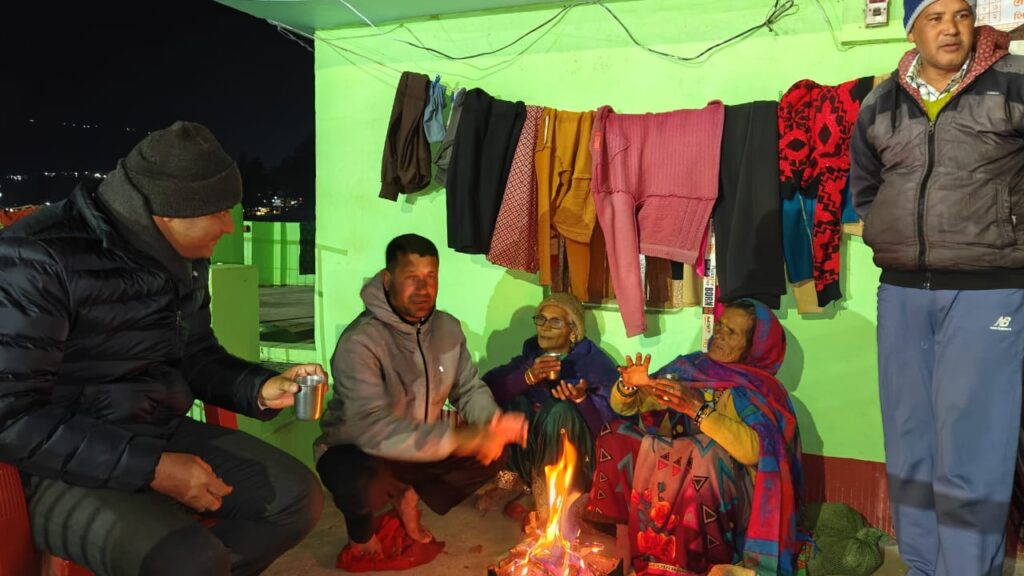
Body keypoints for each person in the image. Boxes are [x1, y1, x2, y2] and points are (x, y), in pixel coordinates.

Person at [0, 121, 325, 576]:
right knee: (188, 558)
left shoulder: (181, 257)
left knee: (294, 499)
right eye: (218, 212)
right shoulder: (37, 258)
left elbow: (195, 355)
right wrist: (152, 468)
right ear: (169, 213)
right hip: (54, 466)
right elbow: (11, 416)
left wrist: (259, 387)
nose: (230, 226)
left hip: (152, 429)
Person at [849, 1, 1024, 573]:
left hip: (988, 290)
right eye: (934, 16)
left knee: (972, 448)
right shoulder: (880, 101)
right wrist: (887, 232)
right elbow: (866, 189)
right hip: (902, 292)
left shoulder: (1013, 82)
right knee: (910, 445)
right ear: (911, 29)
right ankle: (924, 566)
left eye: (961, 14)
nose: (951, 28)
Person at [315, 234, 528, 561]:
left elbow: (467, 387)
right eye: (411, 278)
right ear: (388, 280)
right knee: (362, 483)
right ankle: (361, 532)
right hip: (358, 447)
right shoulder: (360, 342)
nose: (424, 289)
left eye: (431, 277)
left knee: (492, 453)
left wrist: (493, 424)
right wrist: (460, 439)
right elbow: (373, 430)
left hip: (420, 441)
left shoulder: (447, 329)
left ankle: (408, 495)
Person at [587, 299, 802, 576]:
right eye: (720, 326)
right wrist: (630, 387)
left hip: (730, 492)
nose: (719, 335)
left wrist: (696, 410)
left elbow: (754, 452)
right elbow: (628, 406)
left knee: (705, 453)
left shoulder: (761, 390)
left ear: (753, 348)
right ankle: (619, 548)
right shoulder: (691, 367)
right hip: (670, 474)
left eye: (731, 333)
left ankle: (691, 562)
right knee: (615, 434)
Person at [480, 292, 618, 516]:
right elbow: (485, 390)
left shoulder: (593, 365)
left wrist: (581, 401)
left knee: (560, 411)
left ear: (573, 331)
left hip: (581, 461)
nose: (545, 327)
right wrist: (527, 378)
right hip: (538, 449)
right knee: (516, 399)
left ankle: (549, 497)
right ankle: (514, 483)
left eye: (555, 322)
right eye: (541, 319)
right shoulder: (533, 358)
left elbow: (609, 431)